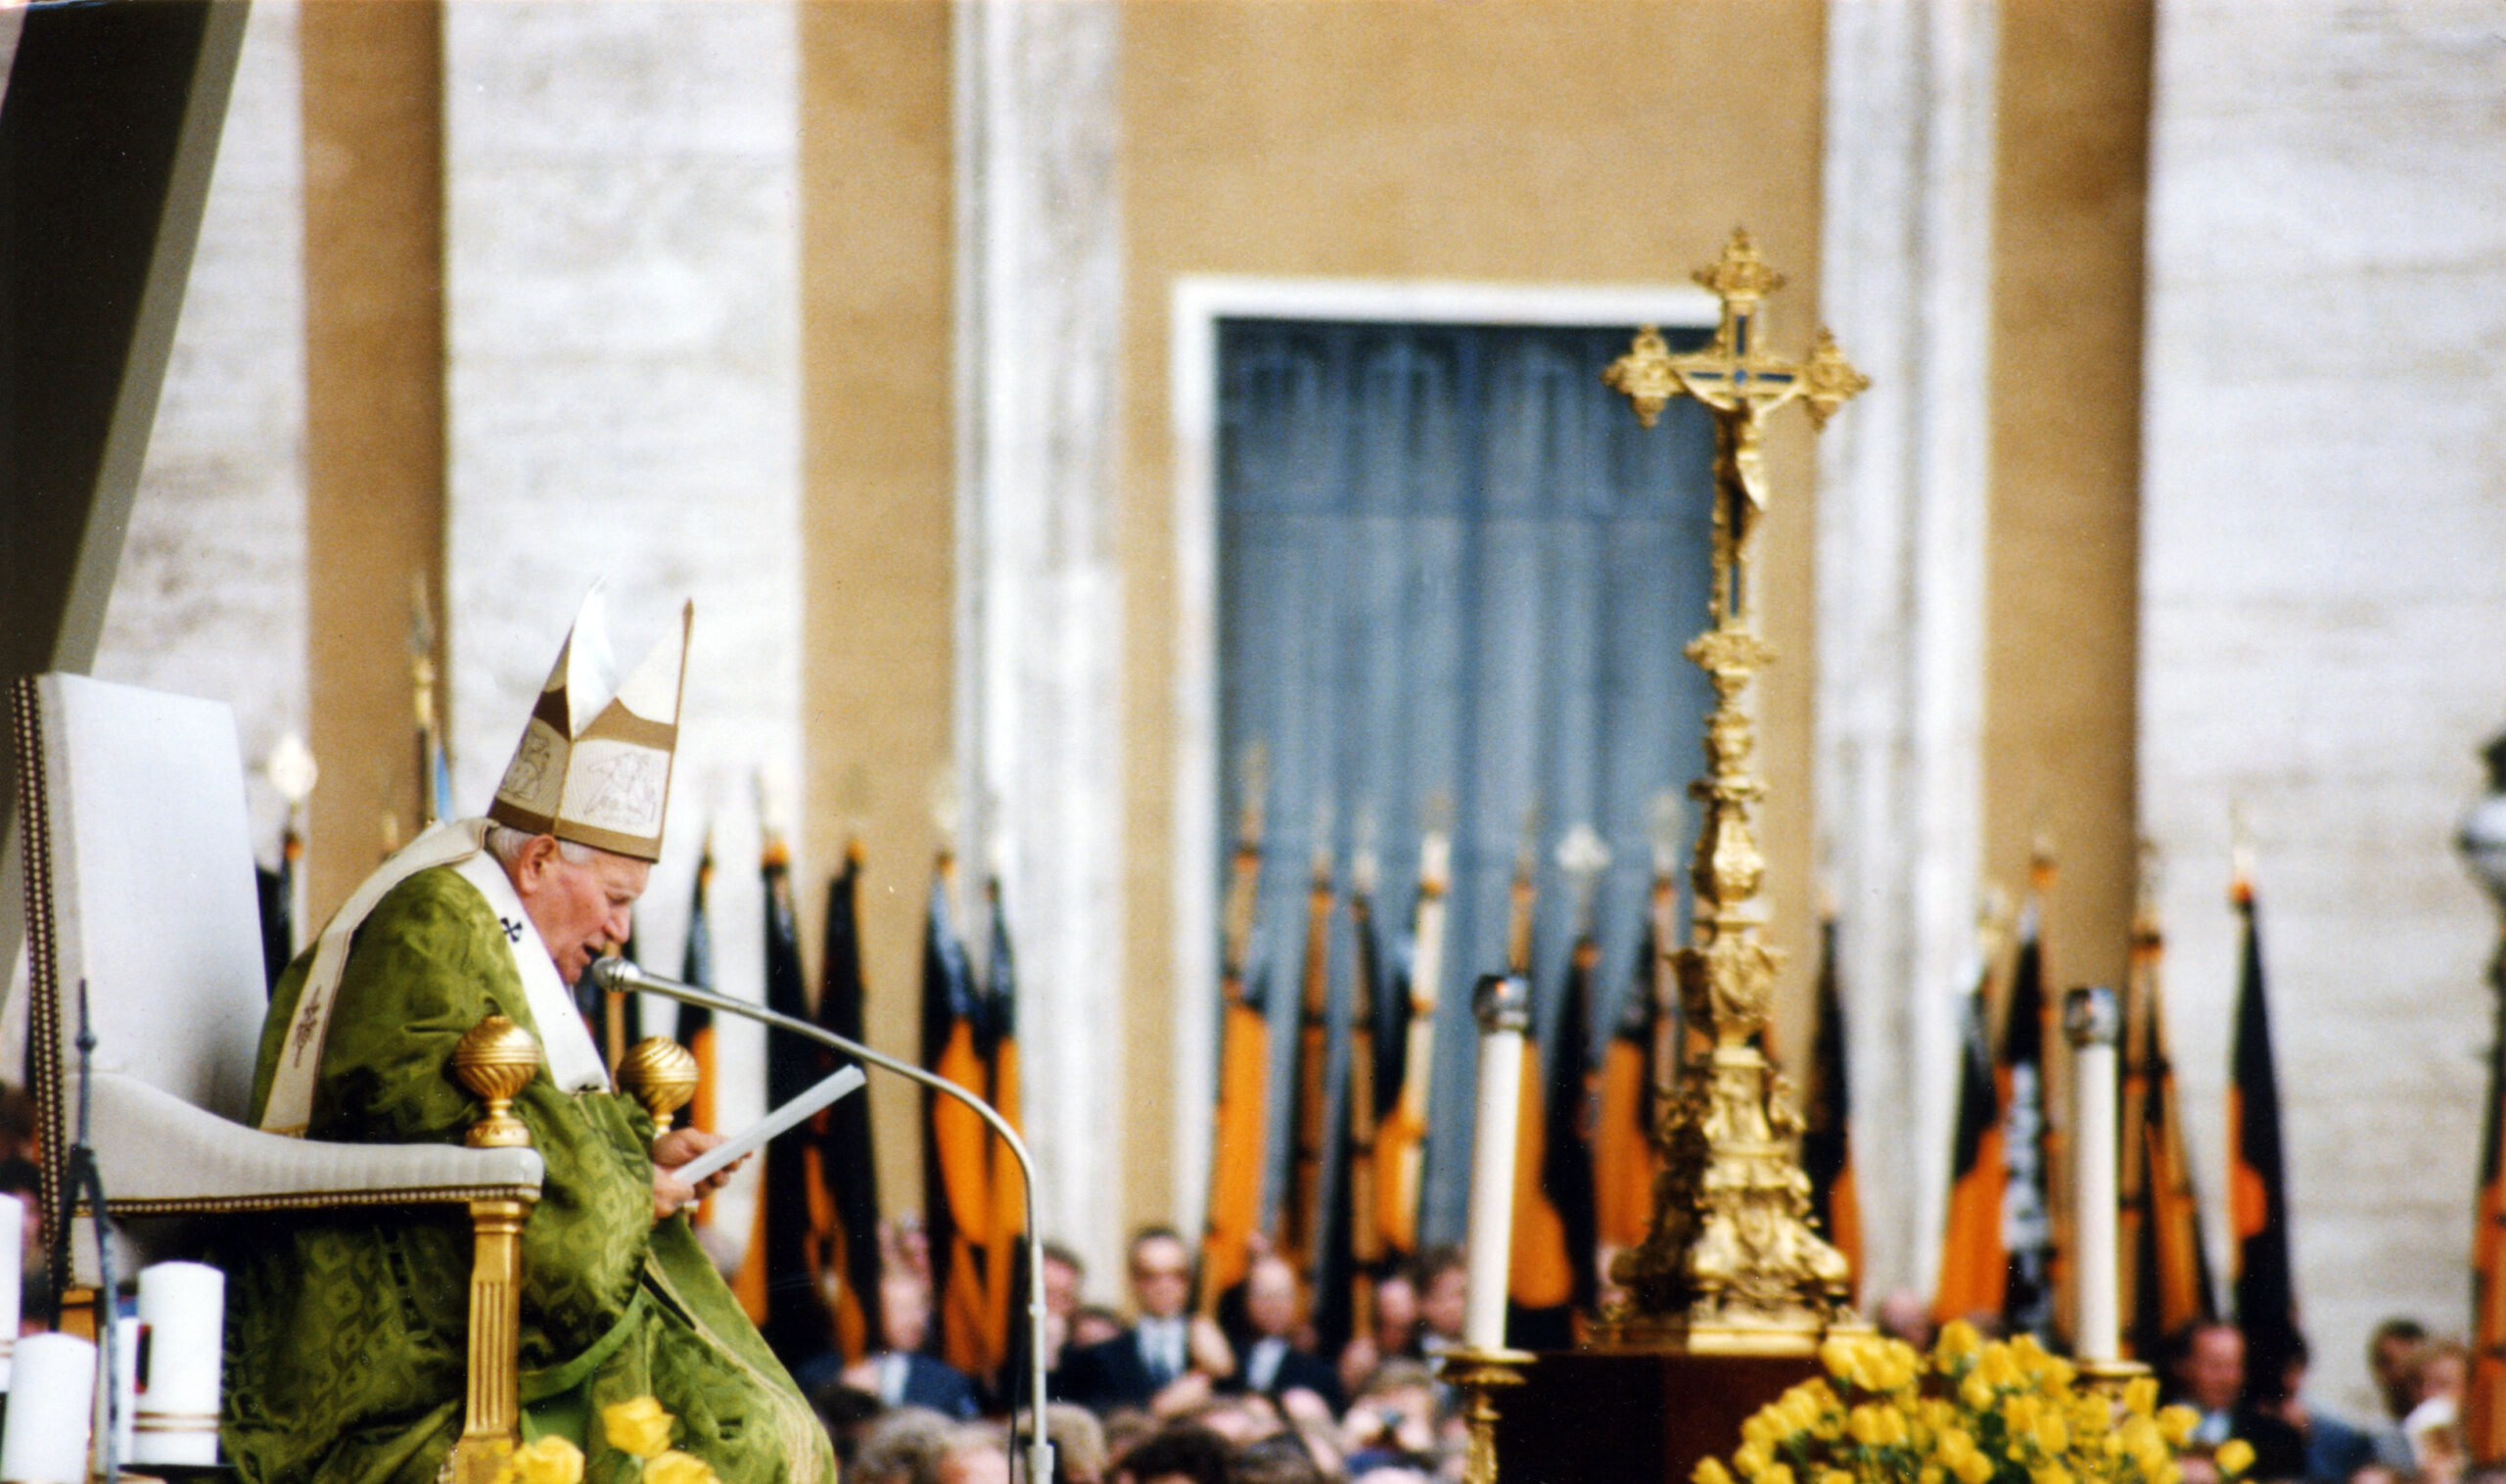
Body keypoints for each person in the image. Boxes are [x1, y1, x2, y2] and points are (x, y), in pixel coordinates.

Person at [219, 595, 834, 1482]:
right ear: (540, 862)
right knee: (742, 1443)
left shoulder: (479, 914)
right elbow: (436, 1132)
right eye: (617, 900)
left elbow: (528, 1122)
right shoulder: (431, 925)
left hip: (489, 1298)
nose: (620, 933)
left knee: (771, 1430)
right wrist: (625, 1193)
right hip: (396, 1361)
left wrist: (645, 1159)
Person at [1059, 1227, 1235, 1414]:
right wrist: (1156, 1410)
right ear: (1133, 1279)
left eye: (1178, 1275)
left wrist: (1224, 1370)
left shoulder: (1215, 1347)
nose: (1165, 1286)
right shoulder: (1101, 1356)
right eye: (1150, 1276)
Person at [833, 1267, 984, 1419]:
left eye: (920, 1308)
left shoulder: (949, 1381)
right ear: (875, 1311)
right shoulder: (839, 1373)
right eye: (902, 1309)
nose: (916, 1320)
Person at [2165, 1322, 2306, 1482]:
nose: (2227, 1379)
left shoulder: (2277, 1439)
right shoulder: (2148, 1422)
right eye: (2216, 1366)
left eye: (2235, 1366)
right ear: (2181, 1366)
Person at [1221, 1254, 1345, 1414]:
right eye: (1265, 1295)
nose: (1274, 1305)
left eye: (1283, 1295)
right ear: (1245, 1299)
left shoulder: (1319, 1375)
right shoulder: (1225, 1360)